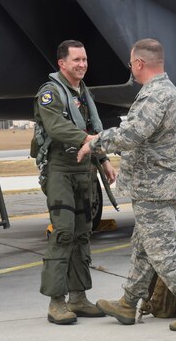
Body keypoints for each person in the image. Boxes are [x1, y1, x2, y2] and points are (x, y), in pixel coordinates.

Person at [77, 38, 176, 332]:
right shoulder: (168, 91)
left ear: (139, 64)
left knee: (162, 250)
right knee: (143, 246)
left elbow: (133, 133)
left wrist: (95, 144)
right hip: (159, 183)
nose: (131, 70)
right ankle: (128, 303)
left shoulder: (155, 95)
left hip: (153, 186)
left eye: (131, 64)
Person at [34, 39, 116, 325]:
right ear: (62, 64)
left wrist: (103, 161)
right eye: (76, 60)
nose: (82, 64)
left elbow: (93, 126)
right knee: (64, 233)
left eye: (84, 59)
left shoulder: (82, 93)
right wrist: (89, 141)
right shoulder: (50, 93)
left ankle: (78, 298)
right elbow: (56, 126)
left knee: (83, 234)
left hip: (84, 170)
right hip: (61, 170)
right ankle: (57, 302)